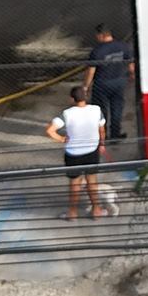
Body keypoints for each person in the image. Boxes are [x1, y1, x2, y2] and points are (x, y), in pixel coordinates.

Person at [46, 86, 108, 220]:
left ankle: (72, 213)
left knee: (75, 183)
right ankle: (96, 210)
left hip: (73, 153)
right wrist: (101, 144)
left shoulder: (67, 113)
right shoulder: (96, 110)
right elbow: (101, 130)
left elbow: (50, 131)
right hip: (91, 151)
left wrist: (62, 139)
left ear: (72, 99)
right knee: (92, 181)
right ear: (86, 97)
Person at [84, 24, 134, 142]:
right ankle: (115, 135)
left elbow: (91, 71)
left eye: (97, 35)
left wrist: (85, 86)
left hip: (102, 83)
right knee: (117, 108)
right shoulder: (123, 47)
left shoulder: (97, 51)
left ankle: (102, 135)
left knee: (101, 110)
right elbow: (130, 63)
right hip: (119, 81)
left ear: (101, 35)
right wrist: (132, 75)